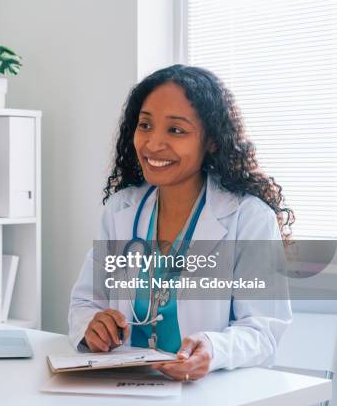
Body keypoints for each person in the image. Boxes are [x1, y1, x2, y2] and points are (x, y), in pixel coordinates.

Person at [68, 64, 293, 382]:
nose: (153, 143)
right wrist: (92, 323)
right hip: (125, 385)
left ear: (212, 141)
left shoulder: (249, 218)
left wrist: (214, 349)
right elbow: (85, 301)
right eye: (145, 125)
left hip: (210, 391)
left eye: (176, 130)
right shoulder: (122, 209)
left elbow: (264, 331)